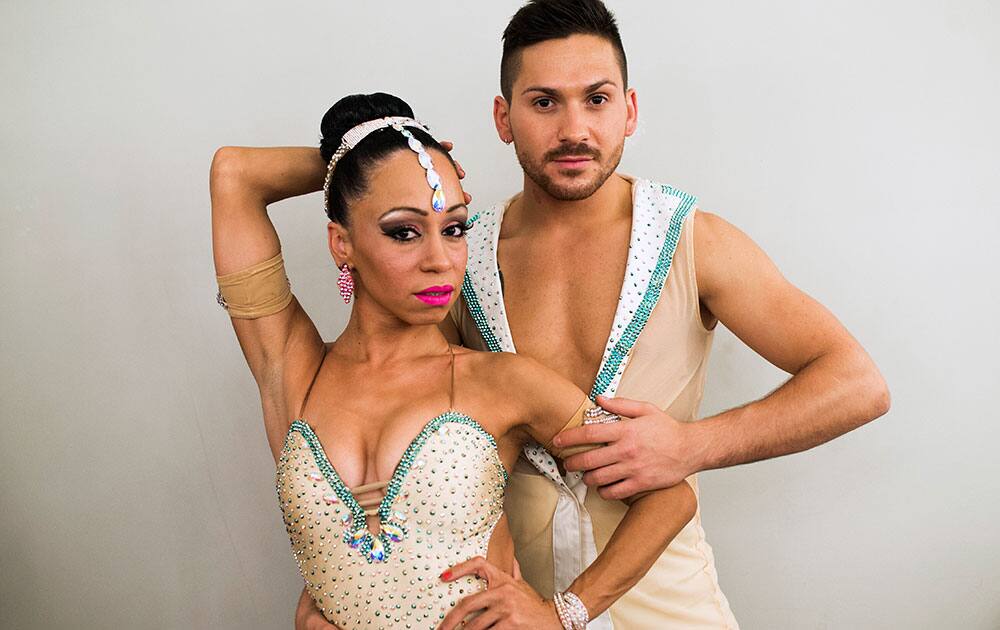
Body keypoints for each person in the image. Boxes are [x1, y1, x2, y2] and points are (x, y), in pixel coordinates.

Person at [298, 1, 892, 628]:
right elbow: (389, 431)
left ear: (629, 111)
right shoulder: (457, 258)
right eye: (545, 102)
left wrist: (690, 446)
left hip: (668, 609)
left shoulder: (694, 241)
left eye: (598, 99)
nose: (573, 129)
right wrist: (342, 588)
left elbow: (857, 382)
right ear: (504, 118)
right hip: (504, 613)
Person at [211, 92, 699, 629]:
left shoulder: (502, 382)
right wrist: (377, 151)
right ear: (341, 244)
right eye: (403, 231)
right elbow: (234, 174)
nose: (439, 260)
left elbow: (669, 498)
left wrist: (564, 614)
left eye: (454, 228)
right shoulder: (291, 368)